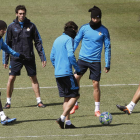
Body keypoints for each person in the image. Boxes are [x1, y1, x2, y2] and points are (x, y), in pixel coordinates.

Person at [3, 5, 47, 109]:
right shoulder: (11, 27)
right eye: (20, 13)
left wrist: (42, 57)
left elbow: (38, 42)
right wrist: (5, 59)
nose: (22, 15)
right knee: (11, 78)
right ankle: (8, 102)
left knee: (33, 78)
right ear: (16, 14)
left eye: (23, 13)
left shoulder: (31, 26)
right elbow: (6, 44)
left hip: (29, 57)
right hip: (16, 58)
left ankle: (39, 101)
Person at [70, 6, 111, 116]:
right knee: (75, 79)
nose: (95, 20)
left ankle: (97, 109)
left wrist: (108, 64)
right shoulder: (84, 28)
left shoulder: (104, 30)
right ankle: (75, 104)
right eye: (94, 18)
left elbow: (107, 47)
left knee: (96, 84)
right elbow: (76, 41)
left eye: (97, 18)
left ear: (100, 18)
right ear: (91, 18)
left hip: (95, 61)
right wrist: (70, 54)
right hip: (82, 60)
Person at [50, 21, 81, 129]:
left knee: (66, 98)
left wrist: (57, 67)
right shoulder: (69, 39)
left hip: (58, 74)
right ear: (73, 30)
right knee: (75, 95)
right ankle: (62, 118)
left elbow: (51, 57)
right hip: (67, 73)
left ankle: (67, 123)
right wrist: (77, 69)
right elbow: (71, 55)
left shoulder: (57, 39)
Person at [0, 20, 25, 125]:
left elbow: (7, 49)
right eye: (3, 30)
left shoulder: (0, 40)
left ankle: (2, 116)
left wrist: (18, 55)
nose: (5, 31)